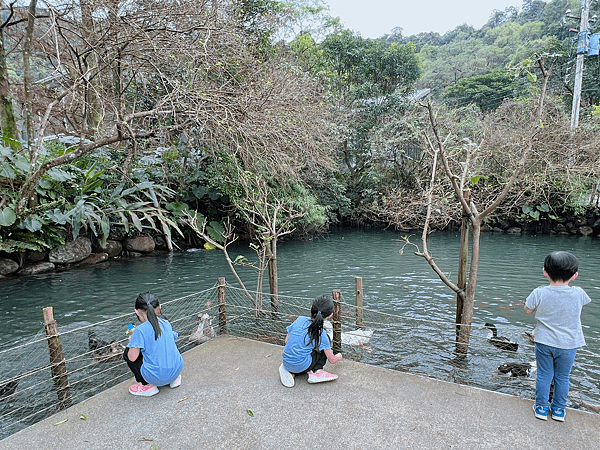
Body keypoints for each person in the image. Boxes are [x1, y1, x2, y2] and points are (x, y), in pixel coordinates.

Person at [524, 251, 591, 422]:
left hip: (544, 341)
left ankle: (541, 408)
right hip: (569, 344)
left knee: (544, 375)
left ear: (545, 271)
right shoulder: (579, 293)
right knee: (563, 377)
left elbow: (527, 310)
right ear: (575, 275)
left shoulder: (539, 292)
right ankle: (559, 410)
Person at [124, 292, 184, 396]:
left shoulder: (140, 330)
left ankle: (147, 386)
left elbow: (132, 357)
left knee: (126, 354)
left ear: (137, 312)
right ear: (160, 307)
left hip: (157, 377)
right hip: (176, 371)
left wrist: (132, 342)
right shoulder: (166, 323)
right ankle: (174, 380)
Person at [279, 294, 343, 387]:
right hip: (302, 367)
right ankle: (316, 371)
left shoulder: (299, 319)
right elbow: (332, 360)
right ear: (330, 315)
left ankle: (291, 371)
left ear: (311, 308)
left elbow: (286, 341)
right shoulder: (322, 333)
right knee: (323, 348)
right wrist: (339, 356)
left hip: (286, 361)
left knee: (308, 346)